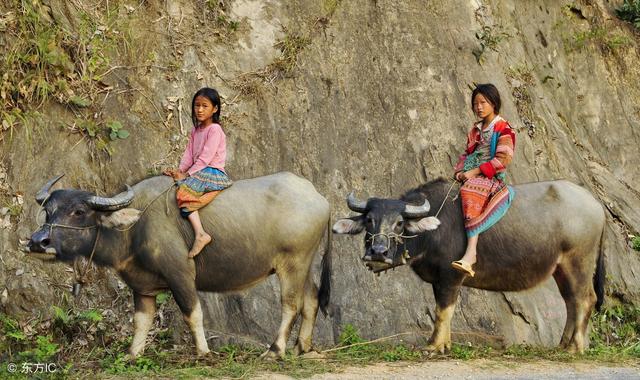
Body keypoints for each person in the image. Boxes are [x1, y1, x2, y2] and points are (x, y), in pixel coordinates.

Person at [451, 83, 516, 277]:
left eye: (483, 102)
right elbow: (467, 153)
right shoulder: (475, 130)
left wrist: (474, 173)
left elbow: (503, 159)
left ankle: (471, 254)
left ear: (494, 103)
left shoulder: (504, 128)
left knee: (470, 191)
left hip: (491, 177)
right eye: (475, 103)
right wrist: (460, 170)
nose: (478, 107)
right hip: (471, 172)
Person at [163, 87, 232, 258]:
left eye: (204, 106)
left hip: (211, 171)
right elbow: (188, 154)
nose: (199, 110)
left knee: (184, 193)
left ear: (214, 109)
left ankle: (201, 233)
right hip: (199, 169)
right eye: (196, 105)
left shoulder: (215, 130)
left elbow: (206, 157)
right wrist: (180, 170)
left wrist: (187, 175)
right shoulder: (195, 130)